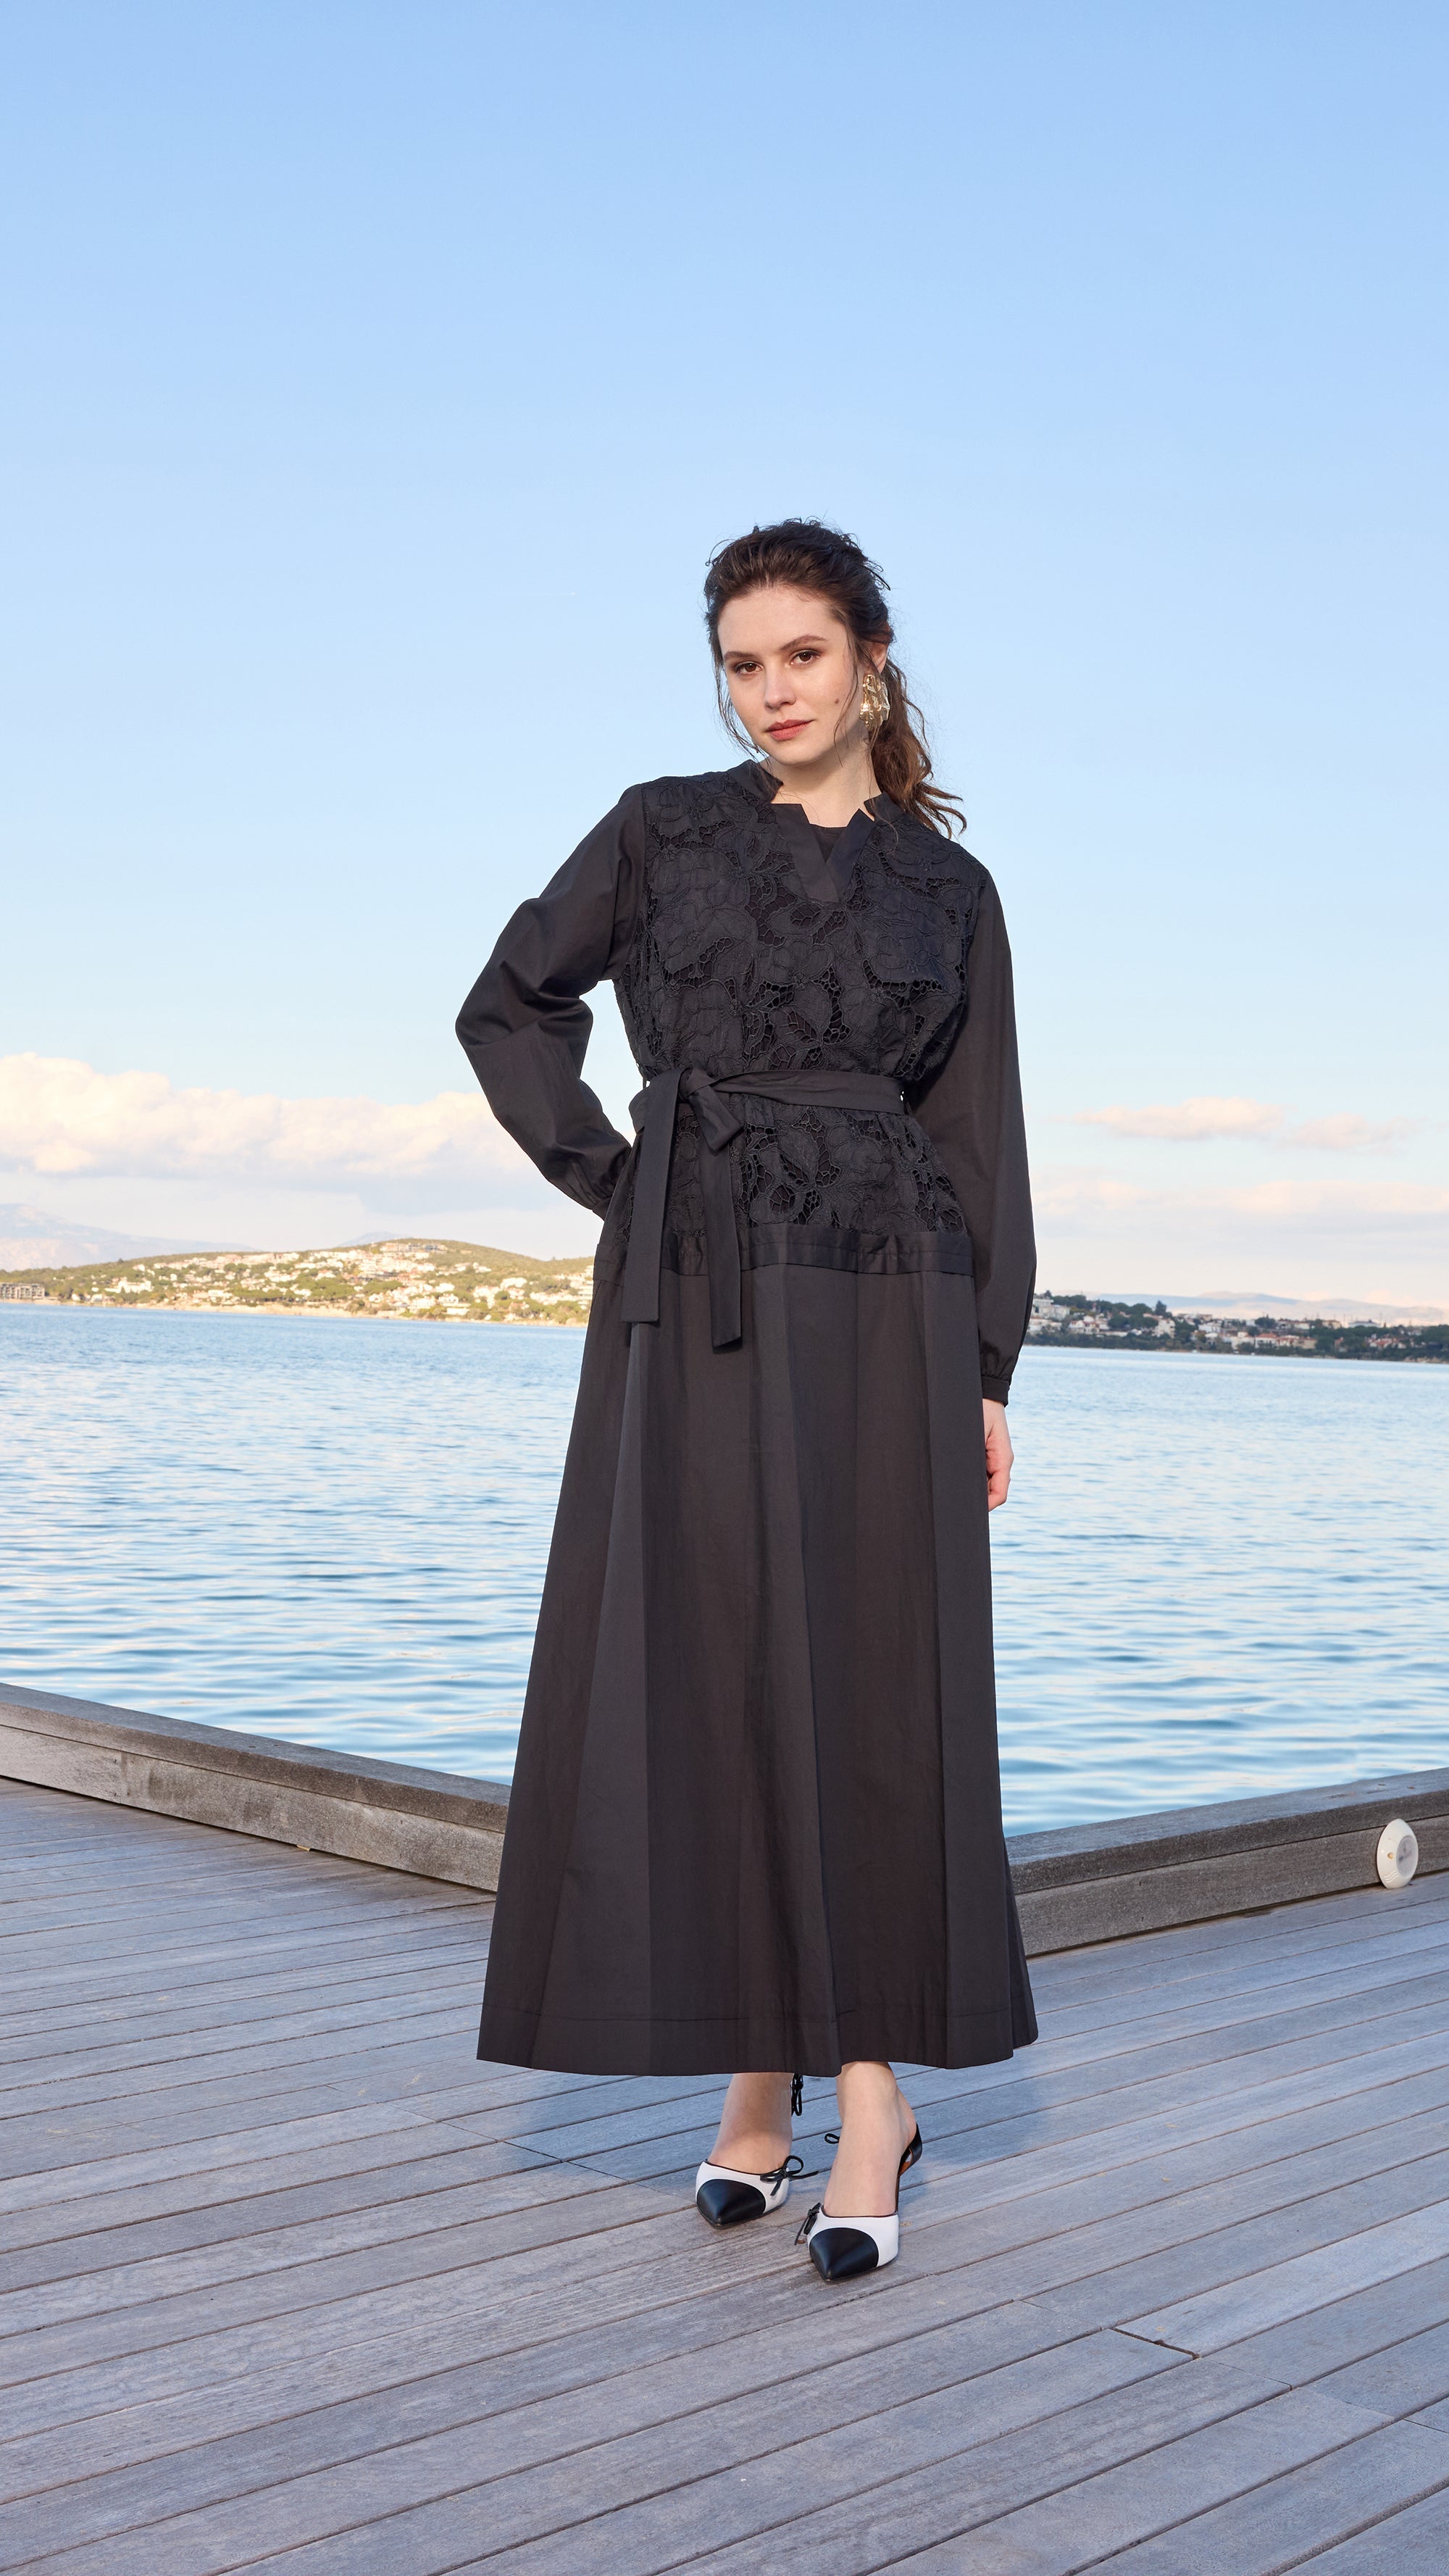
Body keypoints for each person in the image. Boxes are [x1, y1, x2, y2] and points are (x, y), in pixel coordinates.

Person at [456, 519, 1037, 2282]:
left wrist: (986, 1367)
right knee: (709, 1661)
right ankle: (756, 2076)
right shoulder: (661, 829)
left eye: (801, 654)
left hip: (888, 1300)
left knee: (864, 1681)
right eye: (740, 662)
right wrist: (616, 1174)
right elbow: (508, 1005)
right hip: (696, 1280)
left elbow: (978, 1138)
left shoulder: (949, 891)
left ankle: (869, 2094)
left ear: (869, 659)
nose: (770, 690)